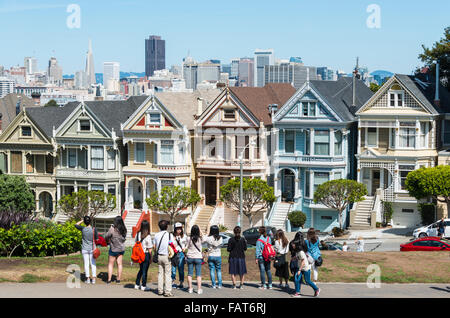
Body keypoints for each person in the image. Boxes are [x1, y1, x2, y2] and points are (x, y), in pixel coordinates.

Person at [75, 216, 98, 284]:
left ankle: (88, 279)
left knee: (86, 264)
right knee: (93, 263)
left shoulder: (83, 228)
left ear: (85, 222)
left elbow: (76, 225)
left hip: (85, 249)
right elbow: (96, 239)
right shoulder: (94, 229)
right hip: (92, 249)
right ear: (90, 221)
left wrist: (81, 220)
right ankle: (93, 279)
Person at [153, 220, 174, 297]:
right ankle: (167, 291)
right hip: (167, 256)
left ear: (159, 227)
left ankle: (160, 290)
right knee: (168, 274)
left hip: (159, 256)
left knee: (160, 273)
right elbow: (173, 245)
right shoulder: (170, 235)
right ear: (167, 226)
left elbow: (154, 247)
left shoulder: (156, 235)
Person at [105, 216, 127, 284]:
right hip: (121, 249)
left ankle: (109, 280)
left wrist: (108, 241)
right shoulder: (124, 229)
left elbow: (106, 236)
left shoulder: (112, 229)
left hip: (113, 248)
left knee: (110, 264)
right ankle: (118, 280)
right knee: (119, 264)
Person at [186, 224, 205, 294]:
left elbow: (187, 246)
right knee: (198, 274)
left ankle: (190, 288)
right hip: (198, 257)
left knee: (189, 274)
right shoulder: (200, 238)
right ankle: (199, 289)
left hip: (190, 257)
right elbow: (204, 238)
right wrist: (200, 230)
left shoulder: (189, 238)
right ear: (198, 231)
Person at [134, 220, 153, 291]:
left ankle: (137, 284)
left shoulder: (138, 234)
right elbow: (150, 249)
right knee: (145, 271)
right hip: (146, 254)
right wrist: (151, 258)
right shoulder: (148, 236)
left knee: (141, 270)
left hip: (139, 254)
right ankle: (143, 286)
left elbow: (136, 243)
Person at [171, 222, 187, 290]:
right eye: (177, 229)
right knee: (173, 269)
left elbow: (187, 244)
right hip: (174, 253)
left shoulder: (184, 236)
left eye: (180, 229)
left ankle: (181, 283)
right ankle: (172, 282)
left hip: (181, 253)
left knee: (181, 269)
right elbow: (170, 244)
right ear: (175, 229)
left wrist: (185, 248)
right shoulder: (172, 236)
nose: (179, 230)